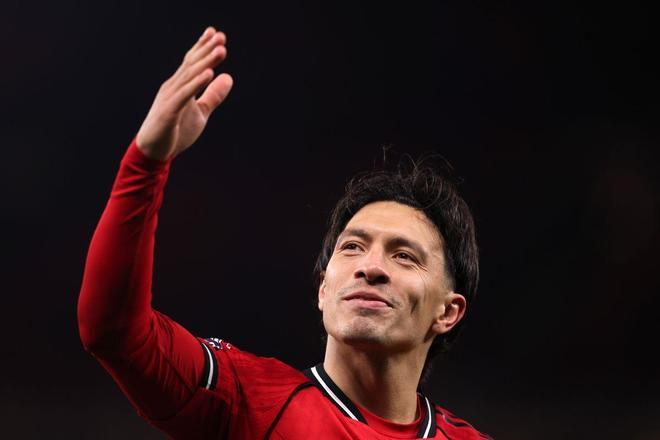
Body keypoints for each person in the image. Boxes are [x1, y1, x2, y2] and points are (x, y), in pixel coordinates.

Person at [77, 26, 491, 440]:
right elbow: (115, 332)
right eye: (352, 247)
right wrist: (146, 163)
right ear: (323, 289)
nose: (370, 267)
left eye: (403, 255)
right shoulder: (248, 401)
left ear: (448, 312)